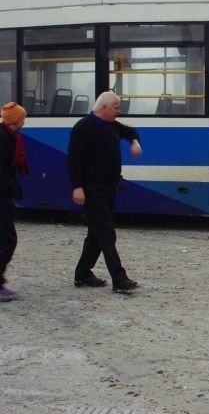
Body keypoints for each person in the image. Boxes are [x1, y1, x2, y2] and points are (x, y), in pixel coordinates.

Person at [68, 91, 142, 293]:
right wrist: (77, 187)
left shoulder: (111, 126)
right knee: (107, 233)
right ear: (104, 108)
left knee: (95, 234)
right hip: (92, 189)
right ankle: (120, 279)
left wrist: (134, 143)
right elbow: (73, 160)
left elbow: (131, 132)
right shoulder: (83, 128)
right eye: (117, 107)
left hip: (109, 187)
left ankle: (82, 274)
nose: (119, 111)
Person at [0, 102, 29, 302]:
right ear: (15, 121)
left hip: (4, 195)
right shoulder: (4, 140)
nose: (24, 122)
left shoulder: (9, 137)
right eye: (22, 119)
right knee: (8, 240)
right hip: (1, 197)